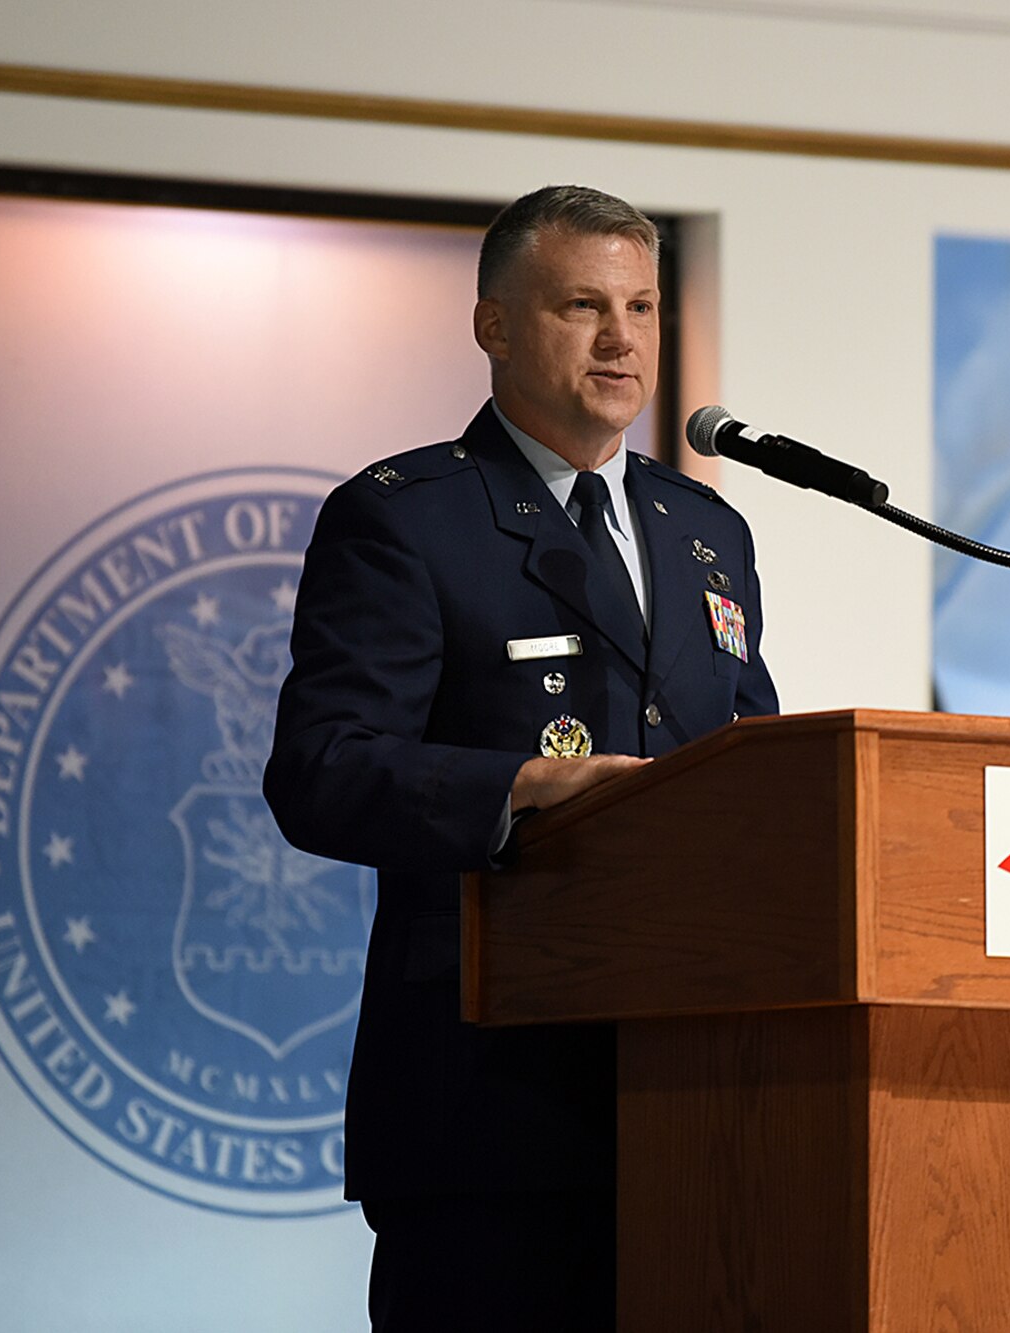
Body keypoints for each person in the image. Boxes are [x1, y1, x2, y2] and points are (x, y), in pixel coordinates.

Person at [264, 184, 780, 1330]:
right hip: (487, 1104)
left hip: (692, 1095)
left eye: (641, 306)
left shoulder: (705, 529)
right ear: (493, 325)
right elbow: (322, 767)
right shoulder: (407, 518)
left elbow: (748, 769)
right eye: (581, 305)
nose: (621, 338)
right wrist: (515, 787)